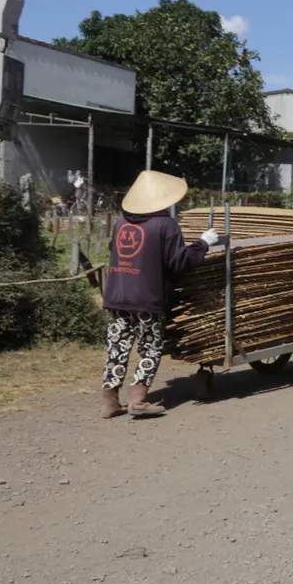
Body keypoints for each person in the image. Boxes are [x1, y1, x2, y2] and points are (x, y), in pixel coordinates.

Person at [101, 170, 219, 418]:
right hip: (146, 298)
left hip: (116, 295)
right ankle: (137, 400)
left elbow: (116, 250)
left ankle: (110, 401)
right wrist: (203, 243)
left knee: (117, 348)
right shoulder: (165, 224)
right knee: (150, 348)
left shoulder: (121, 222)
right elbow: (180, 262)